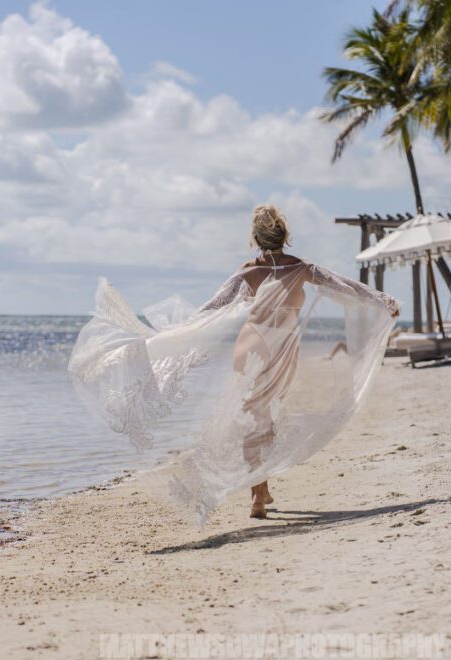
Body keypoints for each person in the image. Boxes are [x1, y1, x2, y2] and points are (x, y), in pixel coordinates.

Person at [69, 204, 399, 525]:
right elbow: (345, 286)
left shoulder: (248, 272)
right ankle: (259, 490)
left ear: (255, 239)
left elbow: (212, 308)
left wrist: (171, 335)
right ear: (284, 236)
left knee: (253, 415)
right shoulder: (301, 268)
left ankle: (260, 491)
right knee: (267, 415)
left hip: (251, 344)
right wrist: (381, 300)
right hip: (282, 346)